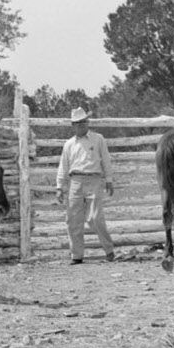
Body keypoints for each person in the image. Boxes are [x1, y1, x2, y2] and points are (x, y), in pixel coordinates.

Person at [54, 106, 117, 264]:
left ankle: (109, 250)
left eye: (83, 122)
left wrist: (109, 180)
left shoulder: (98, 139)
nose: (81, 125)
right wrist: (59, 187)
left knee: (95, 218)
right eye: (77, 123)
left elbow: (106, 160)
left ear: (87, 123)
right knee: (73, 219)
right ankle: (76, 255)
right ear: (73, 125)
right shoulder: (68, 144)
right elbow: (64, 165)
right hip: (75, 181)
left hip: (94, 179)